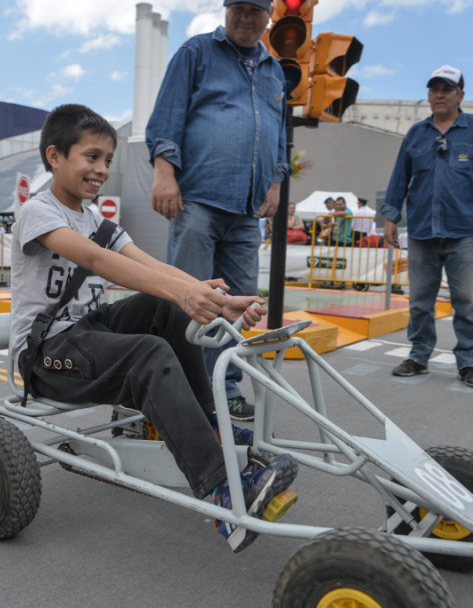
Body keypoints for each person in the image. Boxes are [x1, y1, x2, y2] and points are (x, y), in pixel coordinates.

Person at [11, 104, 297, 552]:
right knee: (148, 351)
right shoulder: (38, 212)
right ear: (55, 156)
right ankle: (221, 490)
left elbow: (152, 266)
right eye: (91, 157)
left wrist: (218, 303)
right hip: (47, 353)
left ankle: (211, 430)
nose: (101, 169)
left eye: (107, 159)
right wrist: (185, 293)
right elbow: (97, 261)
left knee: (168, 311)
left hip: (88, 331)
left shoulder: (97, 221)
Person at [146, 0, 289, 422]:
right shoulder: (196, 52)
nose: (246, 18)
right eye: (238, 8)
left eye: (255, 10)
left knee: (239, 307)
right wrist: (163, 174)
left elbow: (277, 132)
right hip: (199, 201)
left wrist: (277, 180)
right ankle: (183, 392)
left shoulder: (274, 71)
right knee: (190, 302)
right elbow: (166, 117)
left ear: (269, 16)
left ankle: (223, 389)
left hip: (247, 211)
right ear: (226, 10)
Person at [381, 65, 473, 389]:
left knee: (466, 299)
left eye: (446, 89)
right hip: (422, 230)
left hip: (464, 229)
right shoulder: (416, 133)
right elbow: (398, 178)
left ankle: (467, 362)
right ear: (428, 95)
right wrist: (391, 216)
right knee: (419, 300)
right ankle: (419, 356)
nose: (439, 94)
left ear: (460, 95)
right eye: (434, 89)